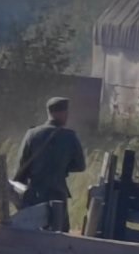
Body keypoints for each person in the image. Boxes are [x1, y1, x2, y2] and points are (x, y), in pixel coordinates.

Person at [14, 96, 87, 232]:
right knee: (60, 234)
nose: (67, 116)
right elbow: (80, 166)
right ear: (61, 113)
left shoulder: (32, 134)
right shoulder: (70, 136)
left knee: (33, 233)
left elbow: (21, 167)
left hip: (35, 194)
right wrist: (62, 167)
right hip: (58, 194)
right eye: (66, 112)